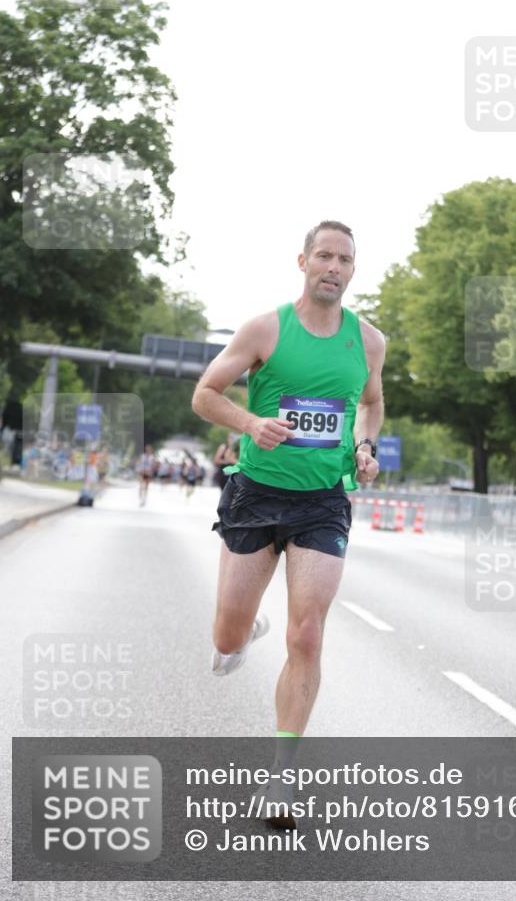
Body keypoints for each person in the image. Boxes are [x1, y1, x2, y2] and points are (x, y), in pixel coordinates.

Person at [192, 220, 385, 804]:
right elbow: (205, 393)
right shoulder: (264, 329)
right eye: (323, 256)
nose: (334, 267)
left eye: (344, 259)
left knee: (307, 633)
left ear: (353, 269)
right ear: (302, 261)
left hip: (323, 502)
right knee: (225, 643)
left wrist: (364, 446)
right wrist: (252, 423)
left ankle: (282, 777)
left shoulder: (369, 341)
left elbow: (370, 405)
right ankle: (242, 632)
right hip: (256, 492)